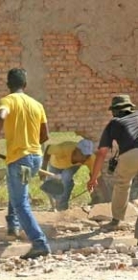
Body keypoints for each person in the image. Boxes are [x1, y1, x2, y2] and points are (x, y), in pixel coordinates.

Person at [0, 68, 51, 259]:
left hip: (20, 160)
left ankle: (39, 242)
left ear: (8, 85)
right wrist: (30, 145)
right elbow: (45, 135)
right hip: (34, 159)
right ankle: (13, 225)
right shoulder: (37, 105)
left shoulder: (7, 101)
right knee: (17, 190)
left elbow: (0, 117)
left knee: (21, 203)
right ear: (25, 85)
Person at [87, 94, 138, 239]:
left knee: (122, 184)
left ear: (115, 111)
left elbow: (102, 154)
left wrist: (93, 179)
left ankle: (116, 220)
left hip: (130, 155)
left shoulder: (114, 123)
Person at [40, 139, 110, 211]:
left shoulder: (89, 158)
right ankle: (57, 202)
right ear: (76, 150)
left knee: (66, 178)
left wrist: (109, 201)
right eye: (83, 154)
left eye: (87, 155)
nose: (85, 158)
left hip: (72, 166)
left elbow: (99, 179)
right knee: (51, 186)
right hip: (55, 164)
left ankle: (62, 207)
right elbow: (48, 148)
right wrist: (44, 167)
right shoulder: (64, 148)